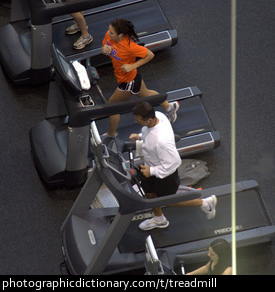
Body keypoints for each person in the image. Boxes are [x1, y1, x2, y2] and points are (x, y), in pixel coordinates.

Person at [129, 101, 217, 231]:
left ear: (149, 120)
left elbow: (174, 163)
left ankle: (205, 203)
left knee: (167, 200)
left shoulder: (161, 142)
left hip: (164, 174)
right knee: (149, 193)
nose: (136, 122)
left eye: (138, 120)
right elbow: (149, 134)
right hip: (149, 167)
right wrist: (140, 136)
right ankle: (159, 219)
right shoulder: (158, 115)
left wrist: (152, 171)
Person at [101, 18, 179, 137]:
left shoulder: (130, 47)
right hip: (128, 77)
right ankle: (170, 107)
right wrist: (104, 50)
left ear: (120, 35)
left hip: (128, 81)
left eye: (112, 32)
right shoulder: (109, 36)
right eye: (109, 30)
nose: (108, 33)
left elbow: (149, 55)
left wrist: (132, 66)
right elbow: (105, 46)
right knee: (146, 94)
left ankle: (111, 134)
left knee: (112, 107)